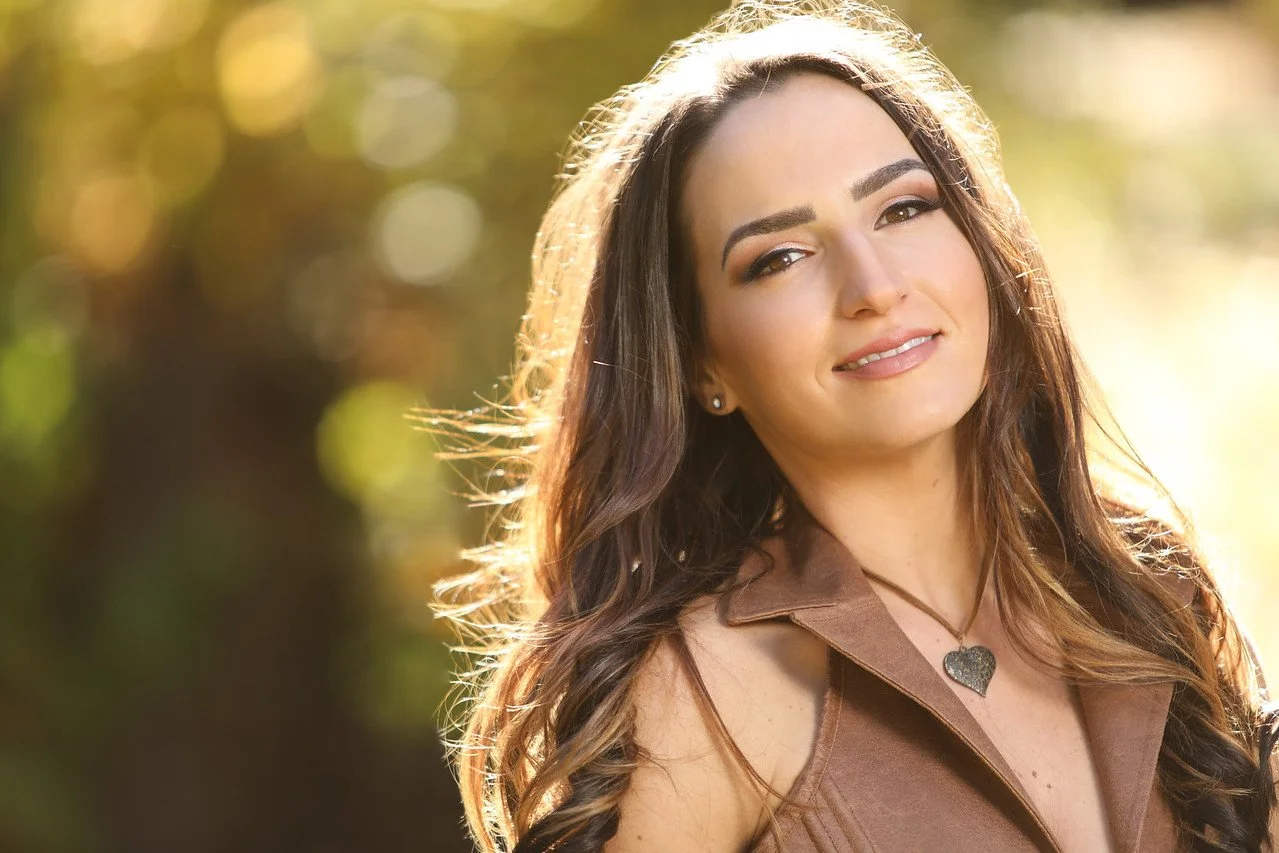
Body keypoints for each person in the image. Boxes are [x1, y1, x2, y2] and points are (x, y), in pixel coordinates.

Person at [432, 1, 1279, 850]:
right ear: (702, 364)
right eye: (779, 258)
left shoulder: (1143, 590)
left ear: (979, 238)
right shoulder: (709, 691)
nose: (872, 284)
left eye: (902, 209)